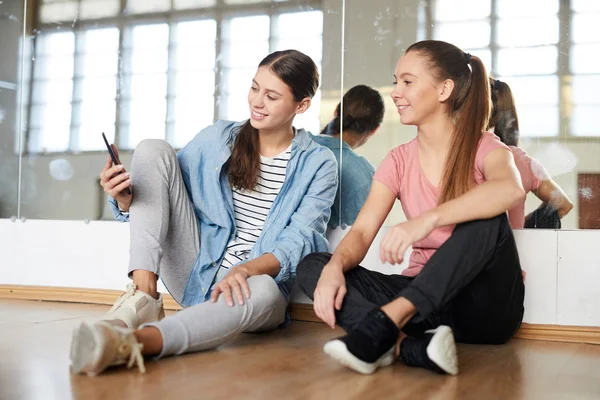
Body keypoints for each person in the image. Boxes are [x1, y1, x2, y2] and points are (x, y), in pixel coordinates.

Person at [69, 50, 338, 376]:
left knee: (265, 290)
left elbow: (302, 240)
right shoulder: (220, 138)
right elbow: (163, 191)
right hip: (195, 270)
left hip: (253, 286)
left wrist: (245, 270)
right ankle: (143, 297)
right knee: (152, 148)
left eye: (271, 96)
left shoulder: (318, 163)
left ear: (302, 105)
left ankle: (134, 343)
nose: (257, 101)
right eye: (254, 88)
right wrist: (125, 199)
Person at [296, 40, 527, 376]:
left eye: (408, 81)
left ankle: (384, 325)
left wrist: (427, 221)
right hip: (426, 307)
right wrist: (335, 267)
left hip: (484, 309)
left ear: (444, 89)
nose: (395, 92)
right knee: (313, 265)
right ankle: (409, 347)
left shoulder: (486, 147)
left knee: (486, 216)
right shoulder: (398, 161)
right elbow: (361, 232)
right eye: (395, 82)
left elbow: (509, 188)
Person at [488, 77, 573, 229]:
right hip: (516, 249)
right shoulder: (524, 161)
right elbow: (563, 204)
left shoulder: (473, 154)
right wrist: (521, 225)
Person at [312, 85, 384, 229]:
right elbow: (359, 235)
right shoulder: (365, 174)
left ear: (336, 112)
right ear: (374, 130)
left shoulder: (298, 147)